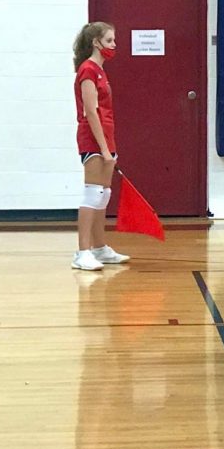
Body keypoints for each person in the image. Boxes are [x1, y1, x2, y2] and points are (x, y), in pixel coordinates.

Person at [71, 22, 130, 271]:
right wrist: (104, 150)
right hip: (92, 139)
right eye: (109, 40)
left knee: (103, 195)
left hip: (106, 136)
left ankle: (99, 248)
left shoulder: (99, 71)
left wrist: (109, 145)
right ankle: (82, 252)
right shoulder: (87, 70)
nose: (114, 45)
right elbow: (90, 112)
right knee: (92, 193)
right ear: (96, 42)